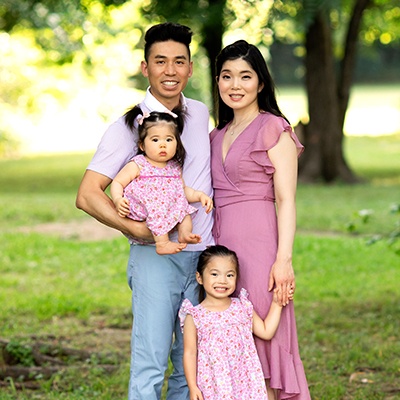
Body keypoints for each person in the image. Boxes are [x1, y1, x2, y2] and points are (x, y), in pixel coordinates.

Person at [76, 22, 214, 400]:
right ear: (145, 68)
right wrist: (137, 230)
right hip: (155, 258)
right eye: (160, 61)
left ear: (189, 67)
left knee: (192, 365)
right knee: (151, 362)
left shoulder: (201, 114)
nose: (170, 71)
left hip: (203, 258)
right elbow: (88, 194)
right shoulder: (128, 126)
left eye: (179, 61)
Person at [210, 40, 310, 399]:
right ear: (217, 82)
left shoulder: (274, 129)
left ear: (261, 83)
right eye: (226, 76)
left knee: (262, 349)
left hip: (260, 248)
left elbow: (286, 200)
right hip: (220, 251)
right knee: (230, 347)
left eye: (245, 76)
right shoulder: (214, 135)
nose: (235, 85)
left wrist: (283, 260)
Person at [180, 245, 292, 400]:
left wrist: (277, 303)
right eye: (214, 274)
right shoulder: (194, 315)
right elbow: (190, 353)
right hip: (215, 384)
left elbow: (266, 331)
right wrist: (193, 387)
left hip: (246, 382)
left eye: (230, 275)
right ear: (199, 277)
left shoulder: (241, 307)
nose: (222, 281)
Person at [110, 108, 213, 255]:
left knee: (184, 209)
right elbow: (118, 182)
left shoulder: (174, 167)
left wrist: (199, 195)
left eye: (169, 139)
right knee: (158, 207)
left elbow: (182, 190)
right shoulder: (138, 164)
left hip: (166, 207)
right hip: (144, 208)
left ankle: (184, 233)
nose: (163, 144)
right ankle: (162, 243)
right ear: (142, 145)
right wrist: (118, 199)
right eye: (155, 140)